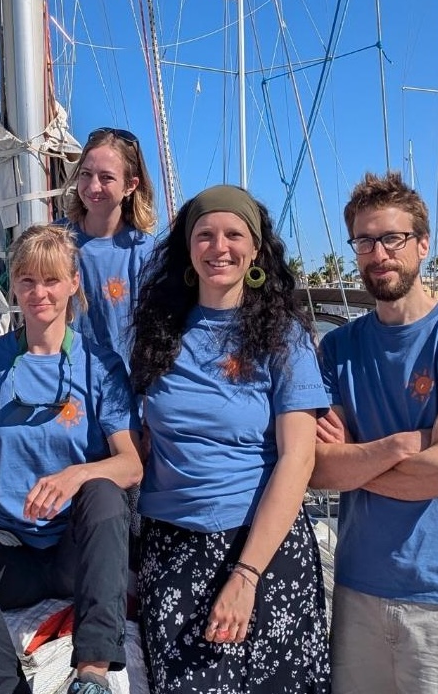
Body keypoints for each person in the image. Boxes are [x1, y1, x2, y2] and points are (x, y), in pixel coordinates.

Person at [129, 185, 331, 694]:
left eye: (234, 235)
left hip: (262, 548)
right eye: (205, 235)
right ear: (188, 247)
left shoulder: (283, 336)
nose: (219, 247)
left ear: (256, 250)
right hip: (172, 549)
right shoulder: (158, 333)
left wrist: (246, 574)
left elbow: (298, 458)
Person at [311, 171, 438, 694]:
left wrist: (356, 462)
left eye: (392, 239)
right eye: (365, 241)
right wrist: (404, 445)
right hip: (358, 592)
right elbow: (318, 468)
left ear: (422, 244)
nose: (379, 254)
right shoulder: (337, 349)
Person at [0, 224, 143, 694]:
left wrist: (76, 476)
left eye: (51, 280)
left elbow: (131, 464)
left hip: (75, 553)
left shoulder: (100, 365)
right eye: (27, 280)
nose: (39, 293)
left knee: (104, 492)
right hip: (10, 552)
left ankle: (92, 673)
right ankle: (3, 686)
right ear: (14, 287)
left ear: (73, 283)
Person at [58, 127, 156, 362]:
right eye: (86, 174)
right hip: (63, 377)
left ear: (130, 185)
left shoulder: (146, 253)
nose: (93, 187)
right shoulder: (54, 240)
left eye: (106, 177)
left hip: (122, 379)